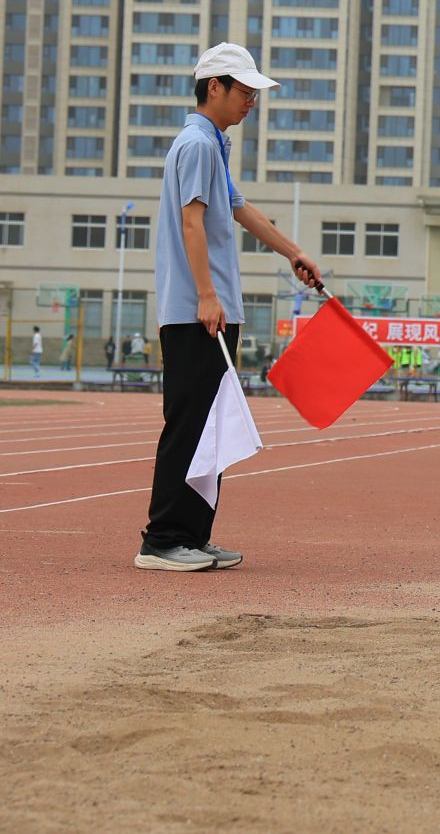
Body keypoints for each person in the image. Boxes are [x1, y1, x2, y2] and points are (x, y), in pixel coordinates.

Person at [138, 43, 322, 574]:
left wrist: (293, 252)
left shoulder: (213, 146)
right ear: (213, 87)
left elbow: (240, 209)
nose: (251, 102)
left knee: (211, 426)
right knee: (190, 424)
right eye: (245, 91)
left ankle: (192, 536)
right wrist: (206, 294)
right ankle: (163, 539)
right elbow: (191, 221)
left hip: (211, 310)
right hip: (196, 312)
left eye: (254, 93)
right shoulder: (196, 144)